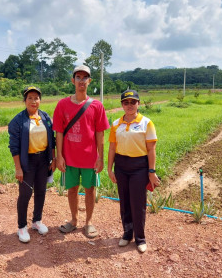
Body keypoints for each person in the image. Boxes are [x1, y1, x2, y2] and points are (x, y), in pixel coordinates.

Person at [53, 65, 109, 238]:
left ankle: (89, 222)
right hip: (69, 158)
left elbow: (100, 134)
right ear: (73, 81)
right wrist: (59, 156)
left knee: (90, 189)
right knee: (72, 189)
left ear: (89, 81)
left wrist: (100, 157)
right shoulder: (62, 105)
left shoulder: (97, 106)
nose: (81, 81)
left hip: (90, 158)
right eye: (78, 77)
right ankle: (74, 220)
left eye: (85, 78)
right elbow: (59, 132)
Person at [107, 89, 160, 253]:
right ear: (122, 104)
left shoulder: (146, 123)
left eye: (133, 102)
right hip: (121, 166)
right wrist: (110, 169)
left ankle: (140, 238)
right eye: (126, 102)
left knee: (138, 203)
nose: (129, 105)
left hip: (139, 167)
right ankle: (127, 233)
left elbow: (151, 150)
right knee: (124, 202)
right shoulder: (116, 124)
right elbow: (112, 148)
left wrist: (151, 171)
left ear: (138, 103)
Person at [8, 86, 56, 243]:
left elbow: (53, 140)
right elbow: (14, 147)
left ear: (40, 100)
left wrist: (53, 159)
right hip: (27, 161)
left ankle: (37, 221)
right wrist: (18, 167)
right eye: (30, 98)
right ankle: (22, 227)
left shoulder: (45, 117)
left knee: (41, 191)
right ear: (24, 100)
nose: (33, 101)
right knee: (25, 194)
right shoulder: (18, 121)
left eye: (36, 98)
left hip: (43, 160)